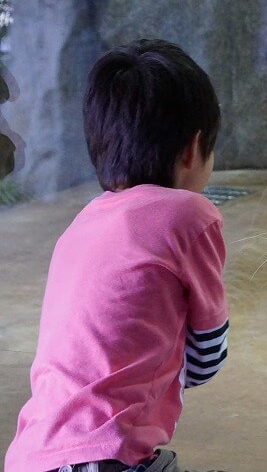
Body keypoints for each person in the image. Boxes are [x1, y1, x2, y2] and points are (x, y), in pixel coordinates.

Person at [5, 39, 229, 472]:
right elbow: (206, 359)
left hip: (30, 456)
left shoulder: (81, 224)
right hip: (106, 457)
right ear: (192, 149)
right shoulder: (190, 214)